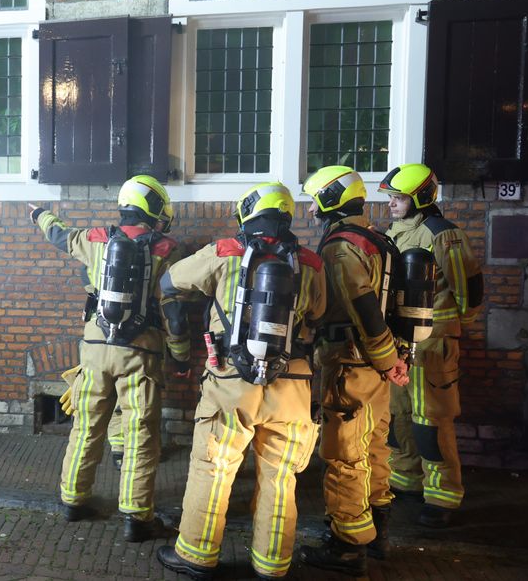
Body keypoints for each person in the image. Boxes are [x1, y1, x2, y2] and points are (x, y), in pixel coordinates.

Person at [153, 182, 326, 580]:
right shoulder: (312, 263)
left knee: (213, 469)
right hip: (293, 385)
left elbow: (170, 283)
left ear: (248, 211)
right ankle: (271, 565)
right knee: (280, 478)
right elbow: (320, 313)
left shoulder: (225, 251)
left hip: (232, 382)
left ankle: (196, 555)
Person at [30, 174, 191, 542]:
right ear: (153, 209)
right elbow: (175, 313)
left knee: (86, 426)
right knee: (140, 435)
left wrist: (38, 212)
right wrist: (181, 357)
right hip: (142, 353)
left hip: (95, 350)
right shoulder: (169, 250)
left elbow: (59, 234)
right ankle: (136, 517)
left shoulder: (95, 239)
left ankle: (73, 500)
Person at [297, 166, 410, 576]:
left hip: (350, 364)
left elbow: (363, 307)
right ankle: (376, 532)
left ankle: (347, 545)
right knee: (375, 447)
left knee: (345, 454)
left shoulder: (341, 247)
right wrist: (393, 362)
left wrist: (386, 361)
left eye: (314, 200)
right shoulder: (377, 239)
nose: (311, 211)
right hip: (376, 366)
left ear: (331, 199)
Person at [378, 163, 483, 528]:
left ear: (421, 197)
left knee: (431, 421)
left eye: (398, 198)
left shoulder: (442, 235)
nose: (391, 203)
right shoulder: (394, 232)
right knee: (400, 418)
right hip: (399, 344)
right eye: (391, 197)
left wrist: (451, 328)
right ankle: (405, 480)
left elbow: (468, 289)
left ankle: (442, 495)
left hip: (433, 345)